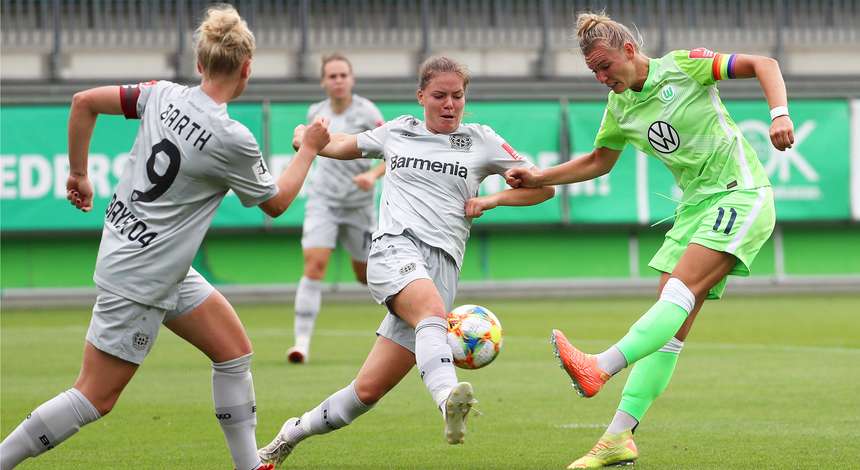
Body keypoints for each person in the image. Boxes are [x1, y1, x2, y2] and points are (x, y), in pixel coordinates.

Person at [0, 5, 330, 470]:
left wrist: (79, 174)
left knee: (233, 351)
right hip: (143, 276)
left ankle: (248, 466)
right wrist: (310, 150)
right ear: (247, 68)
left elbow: (82, 103)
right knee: (96, 395)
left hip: (154, 261)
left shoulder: (161, 94)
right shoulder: (232, 138)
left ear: (200, 64)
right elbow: (276, 203)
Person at [505, 11, 793, 469]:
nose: (602, 78)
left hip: (741, 193)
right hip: (696, 207)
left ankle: (600, 366)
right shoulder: (620, 106)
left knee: (679, 292)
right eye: (594, 72)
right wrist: (540, 175)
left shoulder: (684, 65)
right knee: (668, 324)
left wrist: (779, 114)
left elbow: (766, 64)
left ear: (630, 51)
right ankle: (617, 439)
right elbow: (600, 161)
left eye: (605, 66)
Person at [257, 56, 555, 466]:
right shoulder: (399, 130)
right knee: (432, 311)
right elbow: (342, 145)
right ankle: (448, 398)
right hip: (394, 249)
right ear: (421, 97)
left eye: (457, 96)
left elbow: (544, 188)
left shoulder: (481, 140)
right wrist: (310, 140)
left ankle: (289, 434)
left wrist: (494, 198)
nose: (449, 104)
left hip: (441, 271)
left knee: (366, 392)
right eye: (439, 96)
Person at [286, 53, 386, 365]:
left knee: (365, 275)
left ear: (352, 79)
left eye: (343, 75)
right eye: (333, 76)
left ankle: (410, 323)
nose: (339, 80)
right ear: (323, 81)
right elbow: (305, 144)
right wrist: (300, 142)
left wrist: (371, 174)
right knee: (314, 265)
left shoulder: (367, 111)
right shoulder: (316, 112)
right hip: (323, 201)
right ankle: (301, 343)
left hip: (358, 205)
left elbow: (392, 152)